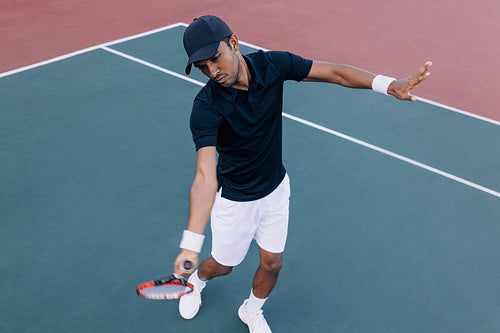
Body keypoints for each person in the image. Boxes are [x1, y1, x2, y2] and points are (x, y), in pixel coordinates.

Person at [174, 15, 431, 332]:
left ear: (234, 44)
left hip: (276, 189)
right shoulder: (206, 108)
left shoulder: (273, 65)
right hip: (236, 201)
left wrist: (389, 85)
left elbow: (335, 74)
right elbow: (204, 177)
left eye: (216, 58)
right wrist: (190, 242)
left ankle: (251, 309)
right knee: (223, 266)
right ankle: (196, 281)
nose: (213, 71)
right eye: (203, 67)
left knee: (272, 263)